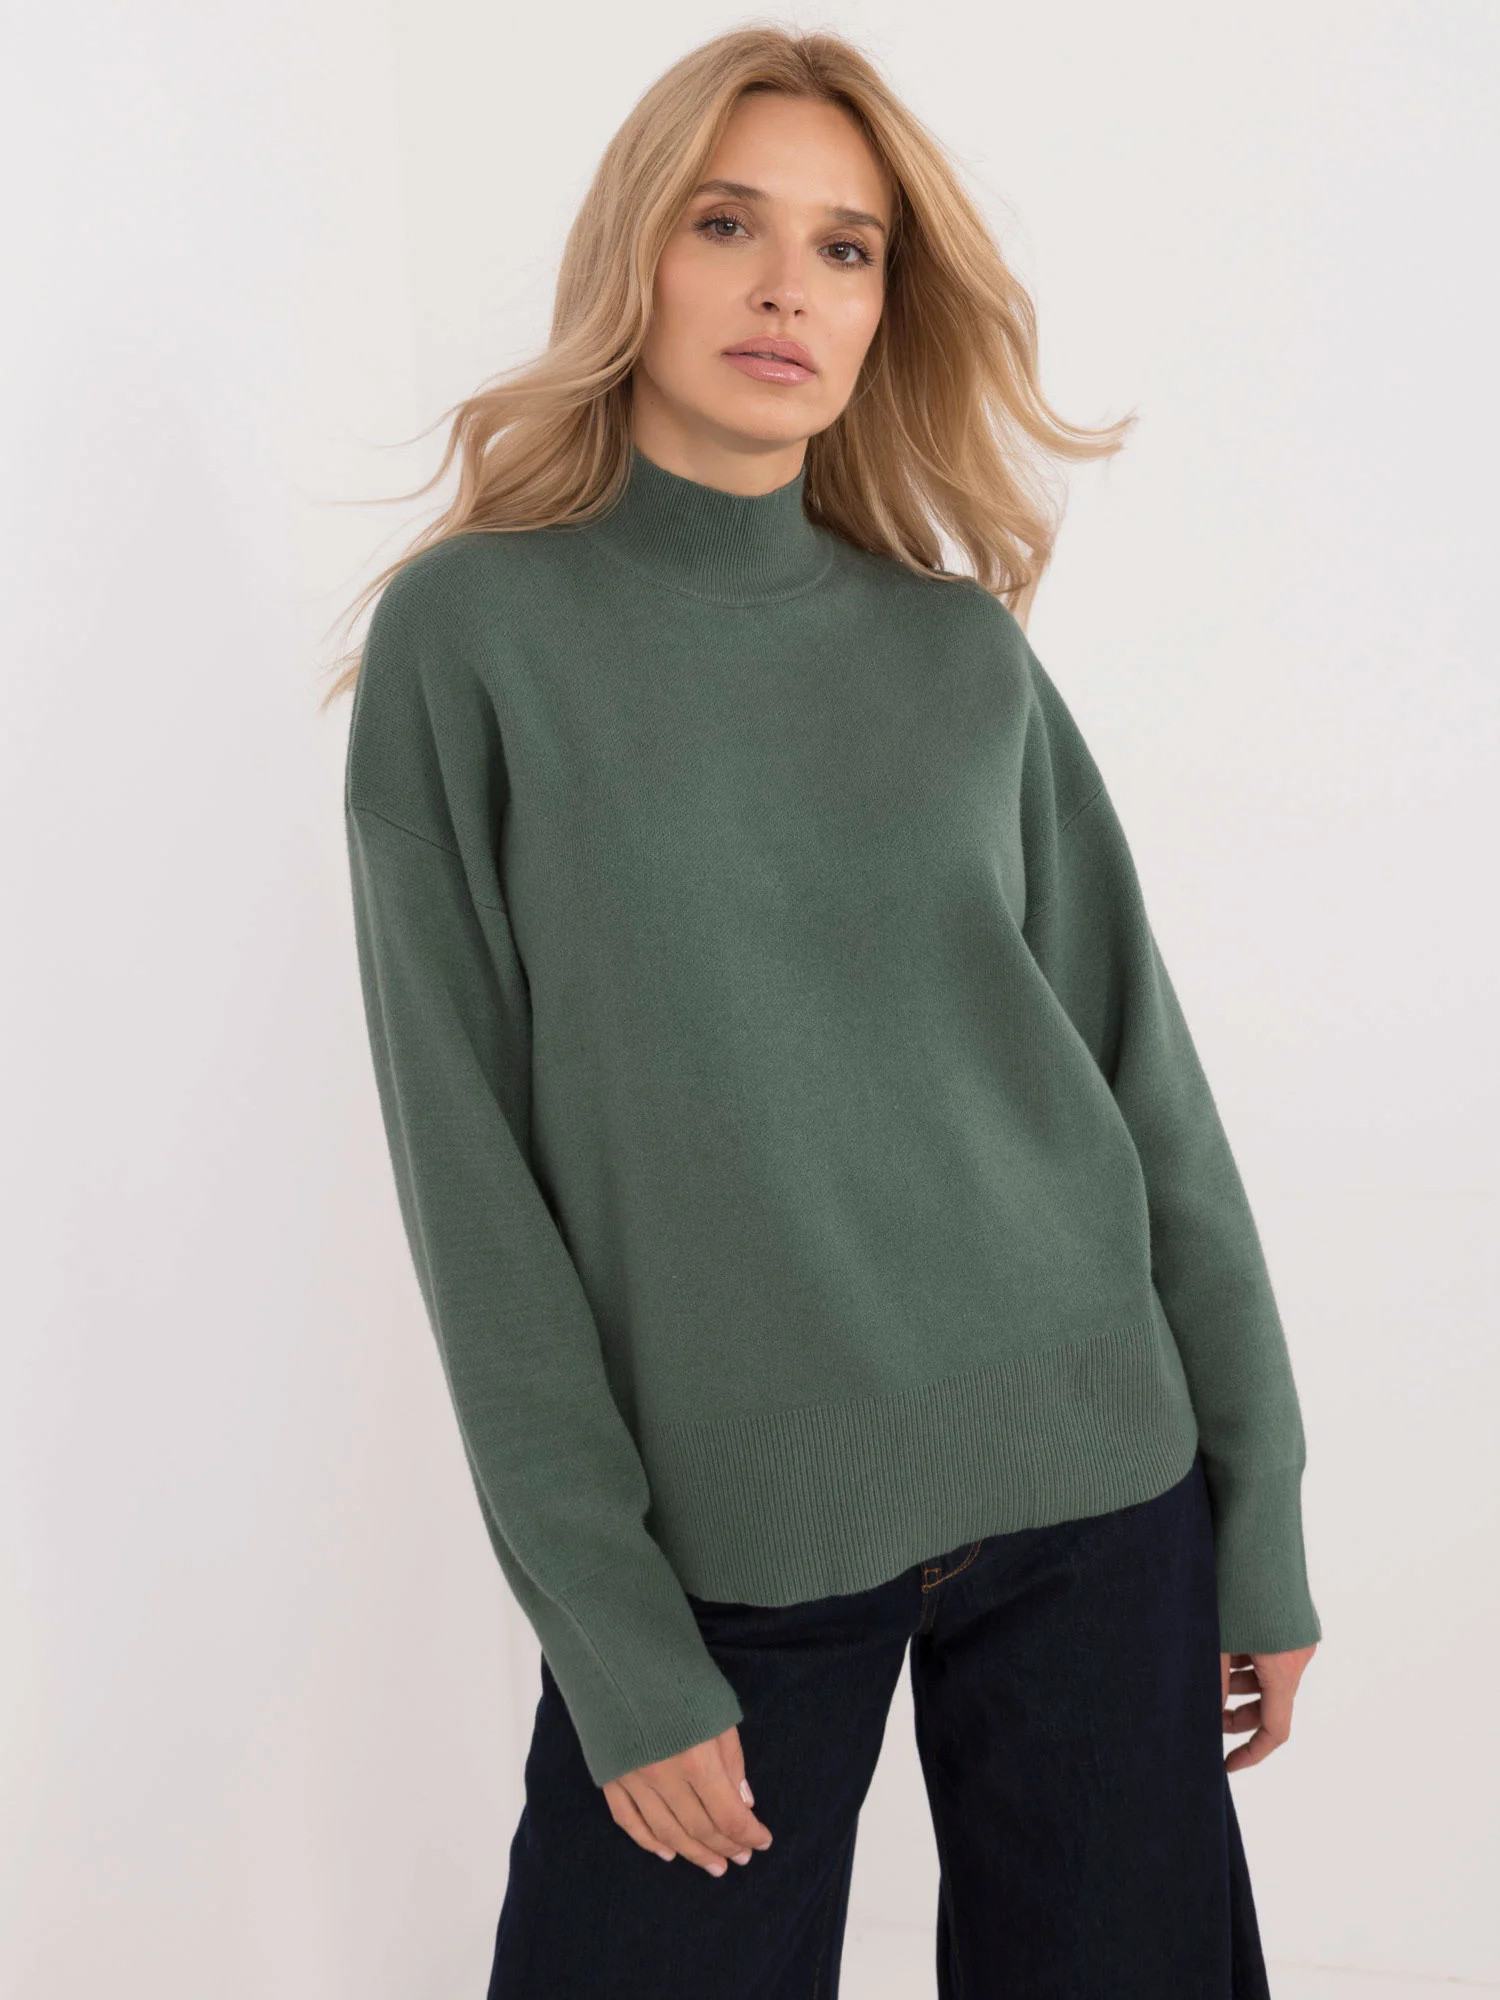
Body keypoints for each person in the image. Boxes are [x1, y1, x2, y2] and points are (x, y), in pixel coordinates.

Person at [328, 25, 1321, 1997]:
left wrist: (1261, 1501)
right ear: (637, 254)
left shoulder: (958, 654)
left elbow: (1147, 1087)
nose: (789, 286)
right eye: (730, 225)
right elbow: (471, 1180)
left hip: (1094, 1485)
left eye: (846, 248)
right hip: (733, 1541)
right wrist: (609, 1631)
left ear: (884, 308)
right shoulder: (477, 633)